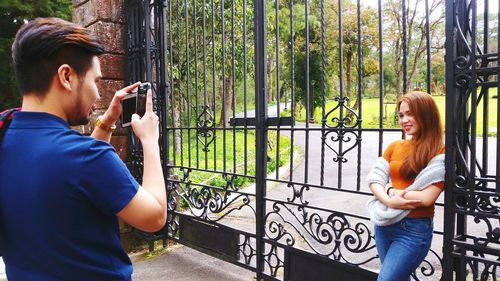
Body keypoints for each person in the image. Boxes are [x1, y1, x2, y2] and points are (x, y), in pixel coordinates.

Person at [0, 17, 166, 280]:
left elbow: (78, 178)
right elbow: (154, 216)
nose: (98, 95)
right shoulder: (86, 157)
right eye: (95, 81)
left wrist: (107, 122)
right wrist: (149, 141)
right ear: (66, 76)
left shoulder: (5, 132)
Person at [366, 91, 446, 281]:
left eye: (410, 113)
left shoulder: (440, 151)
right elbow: (374, 179)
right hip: (384, 224)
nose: (404, 120)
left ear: (426, 114)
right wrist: (388, 197)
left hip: (414, 230)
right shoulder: (395, 146)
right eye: (401, 115)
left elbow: (426, 198)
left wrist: (389, 191)